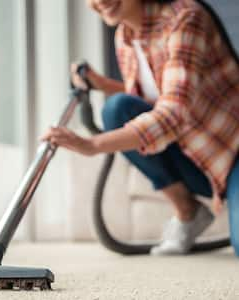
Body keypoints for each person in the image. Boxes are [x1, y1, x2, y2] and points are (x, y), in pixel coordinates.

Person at [40, 0, 239, 256]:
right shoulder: (125, 35)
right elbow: (153, 98)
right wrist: (102, 84)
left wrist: (93, 145)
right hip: (196, 158)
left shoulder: (185, 19)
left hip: (231, 152)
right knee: (118, 108)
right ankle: (188, 213)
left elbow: (176, 112)